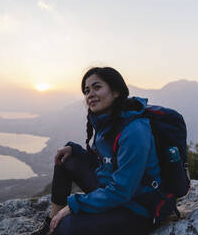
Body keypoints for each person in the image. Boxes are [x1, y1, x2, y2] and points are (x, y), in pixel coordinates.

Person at [31, 67, 161, 235]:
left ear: (116, 92)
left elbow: (123, 191)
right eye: (87, 91)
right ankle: (50, 227)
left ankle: (58, 227)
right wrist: (75, 150)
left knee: (68, 226)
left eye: (97, 87)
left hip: (136, 208)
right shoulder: (106, 122)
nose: (90, 94)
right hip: (111, 191)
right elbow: (102, 162)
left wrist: (75, 205)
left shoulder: (134, 131)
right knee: (67, 157)